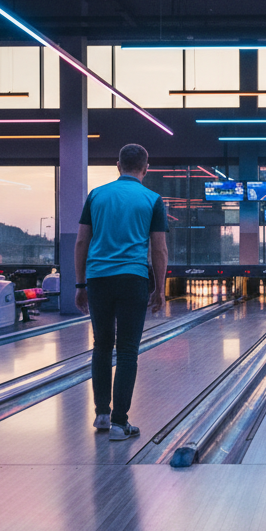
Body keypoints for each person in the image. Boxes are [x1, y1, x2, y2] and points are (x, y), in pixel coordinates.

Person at [75, 144, 168, 441]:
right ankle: (119, 423)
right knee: (128, 350)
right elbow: (159, 248)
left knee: (101, 345)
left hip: (98, 279)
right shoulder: (152, 199)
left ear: (118, 165)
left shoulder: (96, 195)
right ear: (146, 167)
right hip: (133, 279)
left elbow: (81, 243)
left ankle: (102, 413)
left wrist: (80, 285)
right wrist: (160, 289)